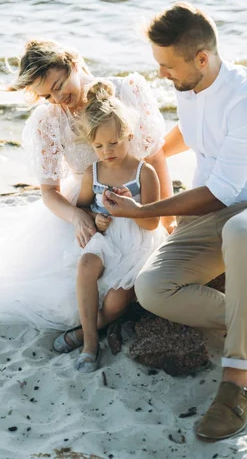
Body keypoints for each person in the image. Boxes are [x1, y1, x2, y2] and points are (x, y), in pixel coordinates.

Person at [103, 2, 247, 442]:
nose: (160, 74)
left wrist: (141, 212)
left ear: (201, 58)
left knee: (242, 228)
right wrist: (141, 154)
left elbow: (221, 193)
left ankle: (237, 381)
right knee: (152, 288)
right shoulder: (188, 86)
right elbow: (190, 135)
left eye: (166, 65)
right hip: (215, 221)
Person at [0, 40, 172, 334]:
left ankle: (98, 323)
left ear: (74, 64)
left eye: (60, 85)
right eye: (47, 95)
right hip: (84, 205)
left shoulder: (126, 91)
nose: (58, 98)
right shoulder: (47, 120)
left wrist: (168, 218)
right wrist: (77, 216)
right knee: (61, 297)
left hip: (138, 201)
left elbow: (155, 157)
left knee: (125, 289)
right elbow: (49, 191)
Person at [54, 80, 165, 372]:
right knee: (86, 264)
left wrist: (132, 210)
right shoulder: (94, 172)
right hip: (107, 237)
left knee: (116, 303)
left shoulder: (144, 172)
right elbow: (83, 208)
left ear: (129, 134)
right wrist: (95, 218)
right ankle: (90, 345)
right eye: (99, 145)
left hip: (137, 242)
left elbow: (152, 222)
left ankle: (83, 331)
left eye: (114, 143)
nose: (107, 151)